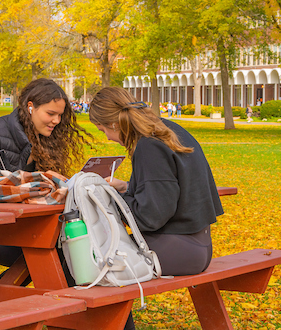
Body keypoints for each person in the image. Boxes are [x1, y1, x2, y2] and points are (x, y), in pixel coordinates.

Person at [89, 87, 224, 330]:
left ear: (113, 123)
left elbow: (151, 217)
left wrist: (110, 198)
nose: (107, 138)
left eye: (103, 130)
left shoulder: (148, 145)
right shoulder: (166, 128)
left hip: (180, 248)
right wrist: (128, 187)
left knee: (92, 265)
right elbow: (169, 189)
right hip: (196, 243)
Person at [0, 78, 91, 267]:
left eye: (60, 115)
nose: (57, 121)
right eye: (51, 114)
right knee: (49, 255)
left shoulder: (43, 137)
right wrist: (42, 178)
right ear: (31, 107)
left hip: (16, 225)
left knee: (68, 247)